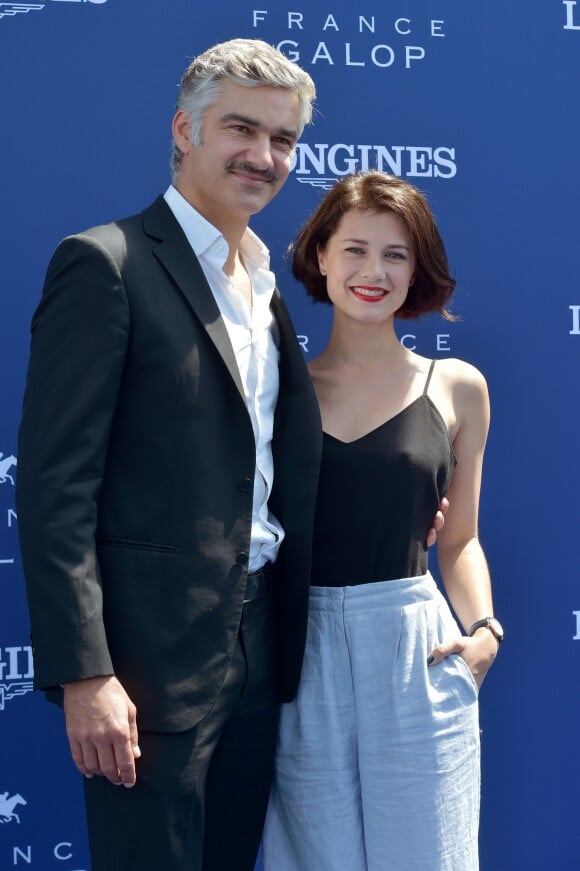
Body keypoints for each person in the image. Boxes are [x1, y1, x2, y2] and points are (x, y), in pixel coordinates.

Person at [16, 41, 445, 871]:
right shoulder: (106, 264)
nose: (264, 156)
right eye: (241, 129)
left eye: (283, 139)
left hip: (264, 648)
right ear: (185, 129)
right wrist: (85, 673)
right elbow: (55, 488)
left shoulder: (265, 281)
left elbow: (281, 461)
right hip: (144, 665)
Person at [262, 171, 502, 871]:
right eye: (356, 249)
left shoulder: (459, 388)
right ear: (320, 257)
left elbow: (459, 540)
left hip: (414, 647)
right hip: (299, 651)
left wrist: (484, 632)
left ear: (417, 268)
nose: (374, 271)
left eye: (396, 254)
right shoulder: (275, 391)